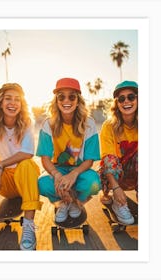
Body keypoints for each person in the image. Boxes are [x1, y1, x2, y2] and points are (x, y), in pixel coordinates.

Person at [0, 83, 42, 250]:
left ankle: (28, 225)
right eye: (8, 99)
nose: (12, 103)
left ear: (22, 104)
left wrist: (0, 165)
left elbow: (28, 152)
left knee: (27, 164)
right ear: (0, 102)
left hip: (24, 183)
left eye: (17, 99)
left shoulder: (27, 123)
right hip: (3, 183)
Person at [36, 77, 101, 223]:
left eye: (72, 96)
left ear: (78, 100)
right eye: (61, 97)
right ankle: (62, 202)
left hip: (80, 170)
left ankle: (76, 202)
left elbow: (89, 160)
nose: (66, 101)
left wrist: (74, 174)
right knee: (42, 183)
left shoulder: (89, 124)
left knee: (94, 182)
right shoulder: (48, 124)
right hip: (58, 169)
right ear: (56, 101)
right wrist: (57, 175)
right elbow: (45, 158)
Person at [98, 80, 138, 225]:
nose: (126, 101)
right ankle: (117, 202)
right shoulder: (109, 126)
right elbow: (108, 159)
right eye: (121, 98)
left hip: (135, 173)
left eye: (131, 97)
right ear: (117, 103)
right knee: (110, 160)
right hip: (113, 176)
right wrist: (115, 188)